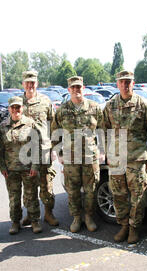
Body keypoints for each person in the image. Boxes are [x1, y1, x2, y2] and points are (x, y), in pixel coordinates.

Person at [103, 71, 147, 244]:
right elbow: (103, 130)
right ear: (117, 84)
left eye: (128, 82)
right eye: (122, 82)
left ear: (133, 83)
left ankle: (134, 229)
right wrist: (107, 153)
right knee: (118, 195)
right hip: (116, 160)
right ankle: (123, 226)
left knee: (138, 197)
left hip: (136, 160)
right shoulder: (110, 105)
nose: (125, 85)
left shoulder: (143, 105)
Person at [52, 76, 104, 233]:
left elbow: (103, 131)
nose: (76, 90)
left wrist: (102, 151)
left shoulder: (95, 108)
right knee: (73, 190)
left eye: (78, 87)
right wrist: (59, 153)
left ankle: (88, 217)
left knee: (91, 190)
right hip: (70, 158)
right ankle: (76, 218)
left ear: (84, 88)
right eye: (73, 87)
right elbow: (55, 133)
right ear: (69, 90)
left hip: (90, 158)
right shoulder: (62, 111)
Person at [0, 96, 43, 235]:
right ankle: (15, 222)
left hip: (28, 169)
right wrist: (2, 167)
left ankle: (34, 221)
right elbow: (0, 150)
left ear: (22, 108)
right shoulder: (3, 126)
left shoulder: (31, 124)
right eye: (13, 107)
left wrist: (35, 166)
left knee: (32, 196)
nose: (16, 110)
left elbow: (37, 146)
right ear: (9, 109)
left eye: (18, 107)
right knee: (14, 198)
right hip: (11, 170)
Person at [19, 71, 59, 227]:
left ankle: (49, 214)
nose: (30, 85)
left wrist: (54, 148)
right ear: (23, 83)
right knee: (28, 187)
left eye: (33, 82)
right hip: (25, 152)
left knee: (46, 185)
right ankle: (30, 214)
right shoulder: (18, 102)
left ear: (37, 83)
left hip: (43, 150)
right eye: (27, 82)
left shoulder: (45, 101)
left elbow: (53, 125)